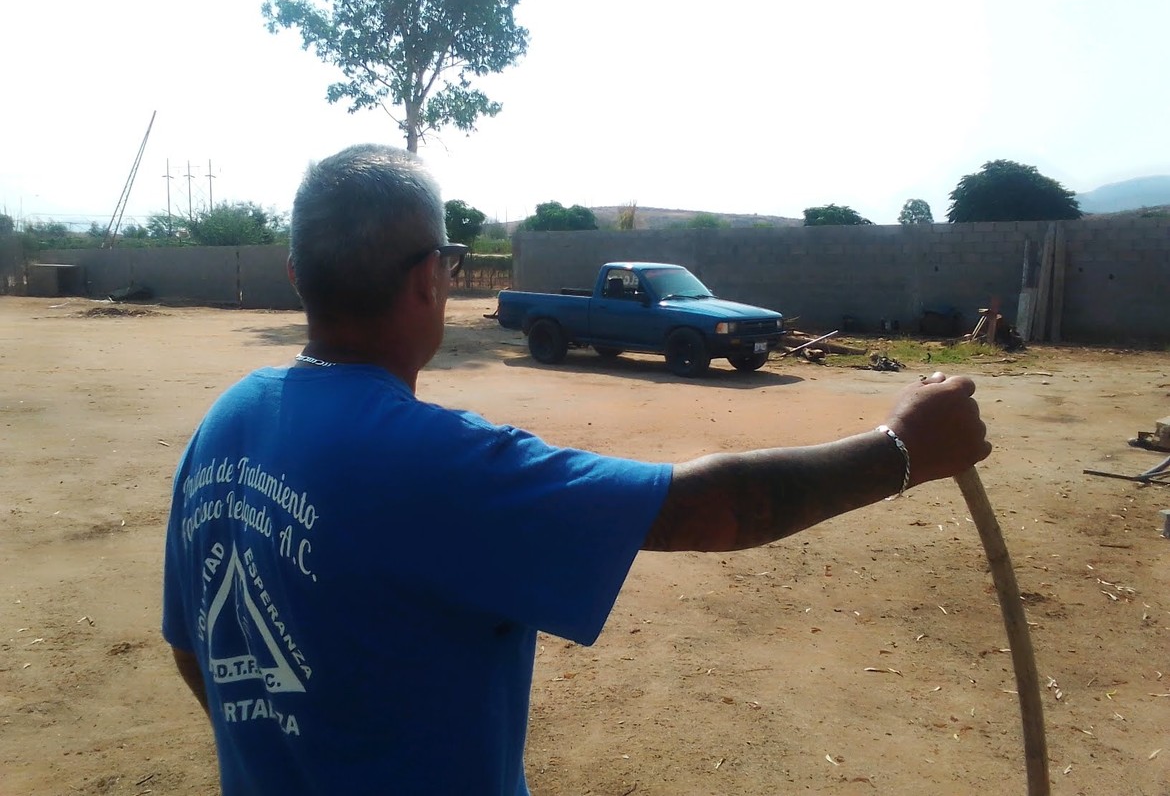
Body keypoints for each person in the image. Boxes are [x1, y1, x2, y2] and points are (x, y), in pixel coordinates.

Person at [162, 144, 990, 795]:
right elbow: (710, 510)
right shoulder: (439, 462)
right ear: (431, 278)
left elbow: (196, 651)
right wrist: (905, 449)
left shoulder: (225, 422)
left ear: (297, 274)